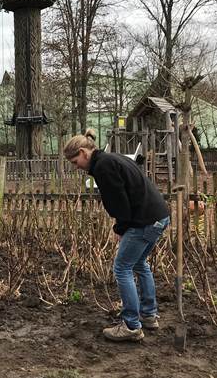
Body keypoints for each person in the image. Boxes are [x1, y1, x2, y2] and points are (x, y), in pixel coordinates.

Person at [64, 128, 170, 342]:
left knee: (122, 268)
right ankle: (148, 315)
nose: (76, 168)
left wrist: (120, 228)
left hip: (143, 220)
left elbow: (120, 203)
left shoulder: (104, 167)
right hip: (158, 216)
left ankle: (131, 325)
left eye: (75, 162)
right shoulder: (112, 159)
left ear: (84, 152)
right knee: (139, 264)